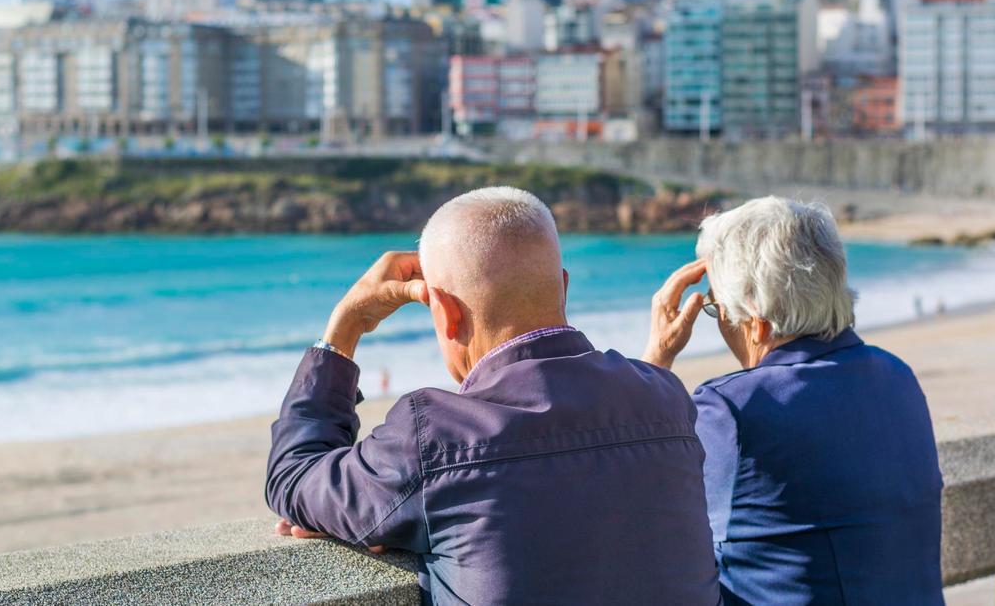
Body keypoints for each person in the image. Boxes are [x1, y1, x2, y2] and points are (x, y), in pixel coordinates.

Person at [266, 187, 722, 605]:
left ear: (444, 314)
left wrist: (345, 327)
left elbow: (292, 476)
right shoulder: (668, 398)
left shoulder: (434, 434)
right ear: (563, 287)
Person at [643, 196, 944, 605]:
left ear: (757, 324)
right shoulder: (897, 377)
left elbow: (640, 510)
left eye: (716, 308)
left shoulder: (735, 409)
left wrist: (654, 362)